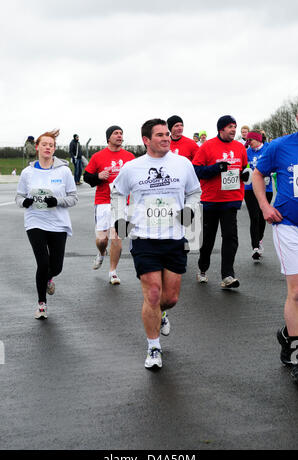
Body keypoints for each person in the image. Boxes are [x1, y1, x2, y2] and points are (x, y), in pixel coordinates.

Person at [111, 118, 201, 369]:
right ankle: (153, 347)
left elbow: (195, 192)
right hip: (144, 237)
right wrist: (120, 222)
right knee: (152, 293)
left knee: (169, 298)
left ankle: (162, 313)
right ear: (146, 140)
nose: (166, 138)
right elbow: (117, 193)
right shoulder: (132, 167)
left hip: (174, 237)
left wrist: (190, 210)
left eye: (167, 134)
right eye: (160, 135)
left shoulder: (183, 164)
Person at [252, 107, 298, 385]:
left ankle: (287, 333)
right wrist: (264, 206)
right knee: (296, 293)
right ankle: (296, 353)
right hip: (289, 225)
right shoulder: (280, 146)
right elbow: (258, 175)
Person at [15, 129, 78, 319]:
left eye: (51, 145)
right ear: (37, 147)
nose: (48, 148)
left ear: (54, 149)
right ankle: (41, 304)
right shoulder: (28, 172)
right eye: (44, 144)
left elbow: (73, 198)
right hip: (35, 221)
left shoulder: (64, 171)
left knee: (55, 267)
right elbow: (19, 196)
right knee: (42, 263)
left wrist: (56, 201)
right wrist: (23, 202)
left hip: (58, 223)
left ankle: (49, 277)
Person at [192, 115, 248, 288]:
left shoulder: (240, 147)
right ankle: (202, 268)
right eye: (230, 126)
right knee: (209, 238)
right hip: (211, 199)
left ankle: (228, 275)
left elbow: (245, 168)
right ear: (221, 129)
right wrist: (216, 168)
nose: (233, 130)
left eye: (235, 126)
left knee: (230, 237)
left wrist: (246, 174)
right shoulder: (207, 146)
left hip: (231, 199)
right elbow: (196, 170)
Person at [83, 125, 135, 284]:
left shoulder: (130, 157)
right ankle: (101, 253)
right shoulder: (98, 156)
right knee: (102, 239)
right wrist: (98, 176)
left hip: (122, 203)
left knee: (117, 237)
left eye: (121, 133)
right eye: (115, 133)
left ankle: (113, 271)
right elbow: (87, 177)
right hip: (103, 201)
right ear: (108, 138)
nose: (119, 136)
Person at [244, 131, 272, 261]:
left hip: (267, 188)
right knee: (254, 216)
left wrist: (270, 174)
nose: (249, 143)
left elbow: (275, 165)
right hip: (250, 188)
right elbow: (243, 167)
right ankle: (255, 247)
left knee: (262, 216)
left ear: (258, 139)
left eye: (251, 140)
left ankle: (259, 239)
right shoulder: (247, 151)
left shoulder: (268, 149)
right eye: (248, 141)